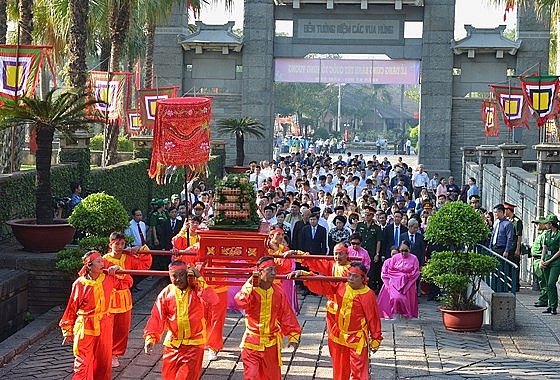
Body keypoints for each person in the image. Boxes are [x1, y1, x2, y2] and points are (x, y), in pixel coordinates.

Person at [291, 262, 382, 380]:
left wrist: (376, 338)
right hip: (339, 335)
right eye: (349, 275)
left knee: (358, 371)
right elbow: (324, 283)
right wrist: (305, 275)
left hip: (357, 338)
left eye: (355, 276)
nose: (351, 278)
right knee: (339, 369)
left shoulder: (368, 295)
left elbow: (373, 318)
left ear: (363, 278)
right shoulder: (341, 285)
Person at [143, 261, 219, 379]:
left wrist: (199, 278)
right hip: (172, 343)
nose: (178, 279)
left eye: (181, 275)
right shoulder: (167, 292)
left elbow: (213, 300)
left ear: (188, 274)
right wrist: (150, 337)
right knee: (168, 376)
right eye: (174, 276)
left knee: (187, 376)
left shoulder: (197, 290)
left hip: (194, 344)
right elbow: (157, 317)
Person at [235, 256, 301, 380]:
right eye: (270, 270)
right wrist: (249, 284)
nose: (274, 273)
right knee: (251, 376)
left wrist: (293, 335)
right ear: (260, 272)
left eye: (275, 270)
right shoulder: (251, 291)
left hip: (271, 344)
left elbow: (286, 314)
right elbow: (241, 302)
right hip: (251, 342)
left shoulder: (278, 292)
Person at [59, 251, 122, 380]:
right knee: (83, 362)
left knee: (104, 361)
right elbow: (72, 307)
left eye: (102, 260)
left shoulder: (109, 278)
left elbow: (127, 283)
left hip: (105, 323)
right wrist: (68, 331)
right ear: (89, 265)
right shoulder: (80, 284)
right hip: (85, 325)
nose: (102, 263)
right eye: (98, 261)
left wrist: (119, 271)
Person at [103, 232, 152, 367]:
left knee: (122, 329)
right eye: (116, 244)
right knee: (106, 328)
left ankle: (115, 354)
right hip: (108, 298)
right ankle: (104, 352)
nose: (119, 247)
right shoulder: (104, 260)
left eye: (122, 244)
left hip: (124, 298)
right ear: (110, 244)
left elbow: (144, 264)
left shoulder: (128, 257)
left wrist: (140, 250)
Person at [377, 240, 420, 319]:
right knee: (396, 298)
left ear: (409, 249)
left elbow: (416, 272)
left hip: (408, 283)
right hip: (395, 282)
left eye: (405, 251)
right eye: (401, 251)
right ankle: (394, 313)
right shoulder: (395, 258)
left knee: (405, 300)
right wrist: (399, 276)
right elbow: (390, 270)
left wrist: (406, 277)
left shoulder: (414, 258)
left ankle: (406, 314)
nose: (403, 253)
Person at [355, 206, 382, 291]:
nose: (366, 217)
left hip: (371, 252)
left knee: (371, 271)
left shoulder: (377, 227)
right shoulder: (360, 225)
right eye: (365, 215)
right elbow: (356, 237)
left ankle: (369, 288)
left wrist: (377, 254)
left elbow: (378, 241)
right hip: (361, 251)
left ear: (372, 216)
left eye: (369, 215)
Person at [540, 214, 560, 315]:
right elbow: (544, 247)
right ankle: (550, 304)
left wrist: (550, 260)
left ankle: (554, 306)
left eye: (547, 223)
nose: (545, 225)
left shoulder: (559, 234)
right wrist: (542, 260)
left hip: (556, 261)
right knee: (547, 283)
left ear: (551, 224)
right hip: (547, 259)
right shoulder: (546, 234)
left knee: (551, 283)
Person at [504, 202, 523, 291]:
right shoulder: (507, 220)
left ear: (509, 210)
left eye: (505, 210)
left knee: (514, 266)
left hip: (514, 246)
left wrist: (518, 249)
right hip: (508, 246)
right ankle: (509, 284)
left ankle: (515, 285)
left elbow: (519, 236)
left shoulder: (517, 221)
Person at [531, 216, 549, 307]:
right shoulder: (541, 233)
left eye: (538, 223)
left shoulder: (545, 234)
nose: (536, 225)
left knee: (543, 281)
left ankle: (544, 299)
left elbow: (544, 248)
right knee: (541, 281)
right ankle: (543, 298)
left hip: (540, 259)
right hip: (536, 259)